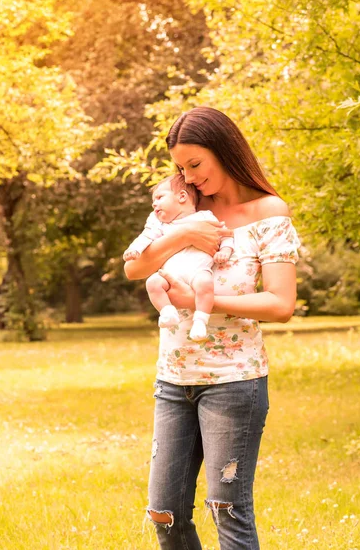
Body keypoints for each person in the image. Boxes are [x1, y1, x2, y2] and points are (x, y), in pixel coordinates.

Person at [124, 106, 301, 550]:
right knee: (164, 513)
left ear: (223, 151)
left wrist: (201, 301)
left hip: (234, 383)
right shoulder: (180, 207)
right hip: (174, 379)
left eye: (196, 164)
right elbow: (135, 267)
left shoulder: (267, 212)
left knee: (227, 508)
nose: (189, 176)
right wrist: (184, 236)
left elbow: (280, 304)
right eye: (181, 168)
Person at [123, 173, 234, 341]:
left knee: (205, 285)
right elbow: (145, 237)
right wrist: (135, 249)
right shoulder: (160, 225)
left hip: (197, 271)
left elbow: (225, 235)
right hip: (170, 273)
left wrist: (225, 250)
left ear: (182, 196)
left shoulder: (205, 217)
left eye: (159, 197)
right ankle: (167, 311)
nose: (154, 203)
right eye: (154, 200)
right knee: (152, 283)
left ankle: (200, 321)